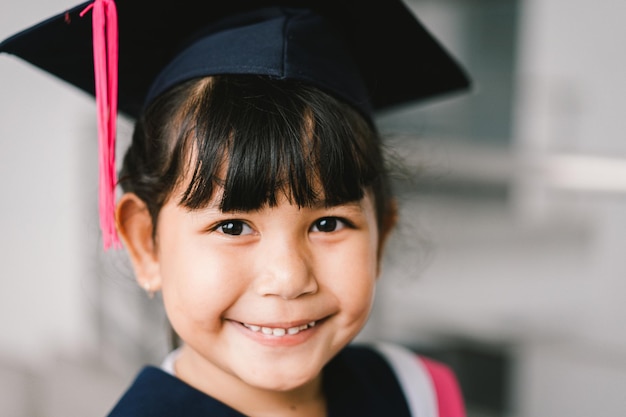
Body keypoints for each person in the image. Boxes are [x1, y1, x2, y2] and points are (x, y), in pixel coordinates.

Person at [1, 0, 470, 416]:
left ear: (381, 236)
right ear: (147, 244)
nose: (288, 279)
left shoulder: (418, 391)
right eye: (232, 226)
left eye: (328, 223)